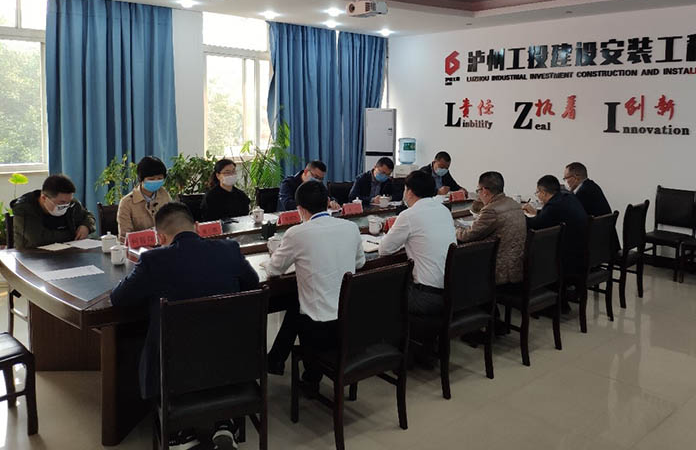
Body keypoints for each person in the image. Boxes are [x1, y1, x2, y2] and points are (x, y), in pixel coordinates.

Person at [110, 202, 259, 449]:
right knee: (212, 340)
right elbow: (252, 283)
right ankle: (223, 423)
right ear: (197, 227)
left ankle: (181, 435)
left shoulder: (153, 260)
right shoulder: (229, 249)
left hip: (174, 368)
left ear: (160, 237)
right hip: (230, 360)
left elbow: (119, 298)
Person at [266, 180, 364, 381]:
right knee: (297, 301)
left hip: (318, 326)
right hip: (349, 318)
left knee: (297, 302)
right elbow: (360, 262)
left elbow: (273, 270)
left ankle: (306, 375)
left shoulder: (297, 233)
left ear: (300, 209)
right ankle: (278, 361)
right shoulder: (351, 227)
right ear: (328, 202)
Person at [378, 170, 456, 316]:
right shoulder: (444, 210)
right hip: (451, 292)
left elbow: (384, 249)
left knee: (379, 292)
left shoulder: (409, 215)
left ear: (410, 192)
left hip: (426, 297)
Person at [456, 171, 526, 285]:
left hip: (499, 269)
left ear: (485, 191)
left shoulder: (491, 210)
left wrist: (456, 231)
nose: (478, 194)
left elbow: (468, 236)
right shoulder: (514, 203)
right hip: (517, 265)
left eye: (478, 190)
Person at [524, 175, 588, 274]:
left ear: (544, 193)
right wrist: (537, 212)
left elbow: (535, 225)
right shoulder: (568, 197)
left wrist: (519, 216)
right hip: (582, 250)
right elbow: (550, 217)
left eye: (537, 193)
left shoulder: (553, 206)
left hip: (568, 257)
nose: (538, 196)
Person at [11, 174, 96, 249]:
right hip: (32, 255)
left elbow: (88, 216)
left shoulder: (71, 203)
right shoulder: (24, 208)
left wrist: (86, 226)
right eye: (61, 202)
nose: (66, 206)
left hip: (68, 253)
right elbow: (38, 239)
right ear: (44, 198)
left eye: (69, 202)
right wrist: (73, 233)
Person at [117, 156, 171, 242]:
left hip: (165, 244)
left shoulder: (164, 195)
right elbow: (125, 237)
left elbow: (172, 223)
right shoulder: (126, 203)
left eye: (159, 178)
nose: (155, 181)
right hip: (139, 248)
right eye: (151, 179)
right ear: (141, 179)